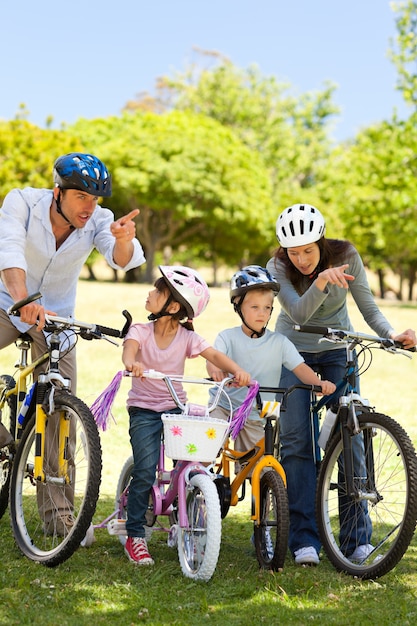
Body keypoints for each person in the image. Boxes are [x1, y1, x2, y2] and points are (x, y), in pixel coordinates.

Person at [0, 152, 146, 531]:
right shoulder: (22, 202)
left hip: (56, 319)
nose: (89, 206)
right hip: (7, 302)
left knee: (60, 410)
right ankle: (4, 445)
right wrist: (24, 300)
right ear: (57, 192)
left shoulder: (98, 220)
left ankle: (58, 516)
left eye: (95, 198)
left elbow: (120, 258)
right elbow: (10, 250)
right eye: (81, 196)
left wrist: (125, 241)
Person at [266, 203, 417, 566]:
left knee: (351, 440)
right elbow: (297, 313)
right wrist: (319, 282)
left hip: (338, 351)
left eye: (307, 250)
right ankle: (304, 539)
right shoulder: (277, 267)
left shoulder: (347, 255)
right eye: (293, 252)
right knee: (299, 444)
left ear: (321, 241)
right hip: (293, 356)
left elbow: (368, 306)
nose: (301, 259)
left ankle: (355, 539)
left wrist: (391, 334)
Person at [122, 265, 251, 565]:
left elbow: (214, 355)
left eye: (157, 290)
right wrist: (132, 364)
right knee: (144, 470)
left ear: (173, 306)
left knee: (189, 464)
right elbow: (129, 350)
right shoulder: (140, 330)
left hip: (175, 408)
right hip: (143, 410)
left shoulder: (186, 337)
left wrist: (237, 371)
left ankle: (182, 517)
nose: (150, 293)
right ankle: (135, 536)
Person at [206, 265, 335, 463]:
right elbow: (214, 358)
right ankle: (200, 484)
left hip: (258, 414)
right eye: (255, 307)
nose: (262, 313)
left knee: (258, 468)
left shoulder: (280, 342)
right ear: (238, 307)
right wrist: (215, 371)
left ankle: (260, 492)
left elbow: (300, 367)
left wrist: (319, 384)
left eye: (267, 308)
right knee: (206, 451)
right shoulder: (227, 337)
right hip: (224, 406)